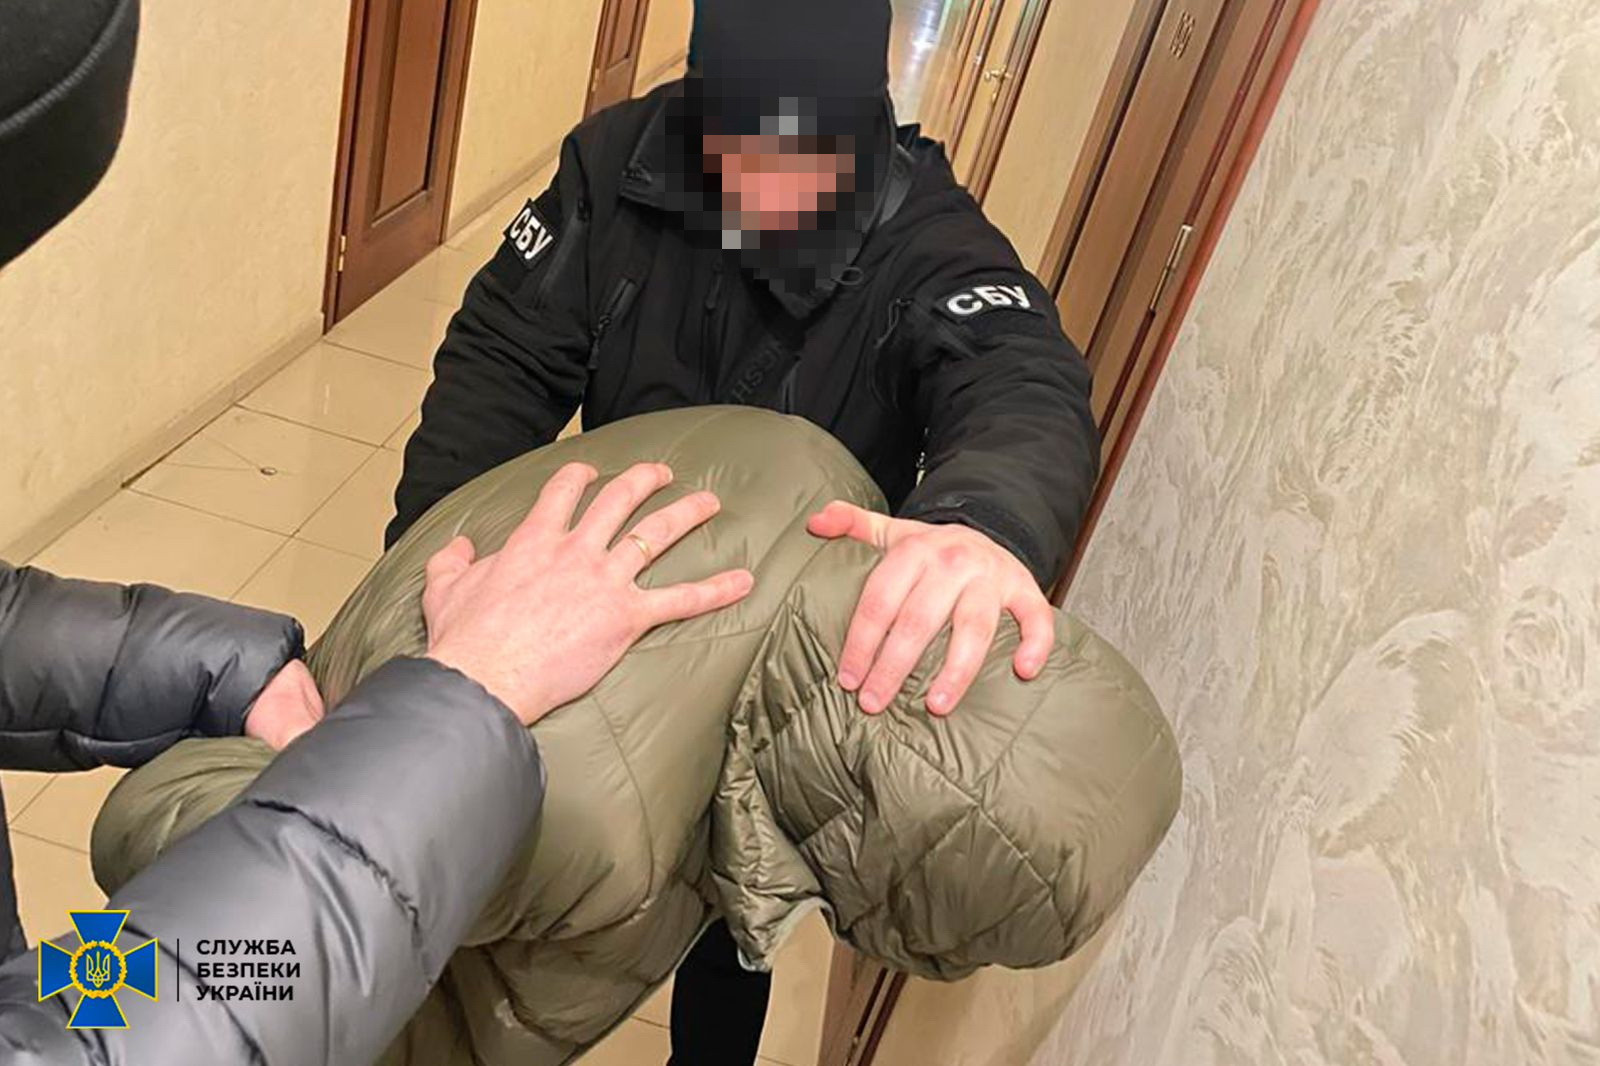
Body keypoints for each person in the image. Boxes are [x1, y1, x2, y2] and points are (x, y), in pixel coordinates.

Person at [0, 2, 754, 1061]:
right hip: (64, 1012)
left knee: (109, 964)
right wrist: (465, 696)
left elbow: (105, 1000)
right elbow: (144, 1026)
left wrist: (229, 666)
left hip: (41, 992)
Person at [388, 0, 1101, 1061]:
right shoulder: (620, 161)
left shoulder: (929, 240)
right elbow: (503, 354)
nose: (763, 182)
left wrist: (982, 522)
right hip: (604, 581)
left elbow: (1022, 378)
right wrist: (435, 560)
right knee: (505, 846)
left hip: (773, 642)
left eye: (801, 151)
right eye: (738, 139)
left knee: (733, 914)